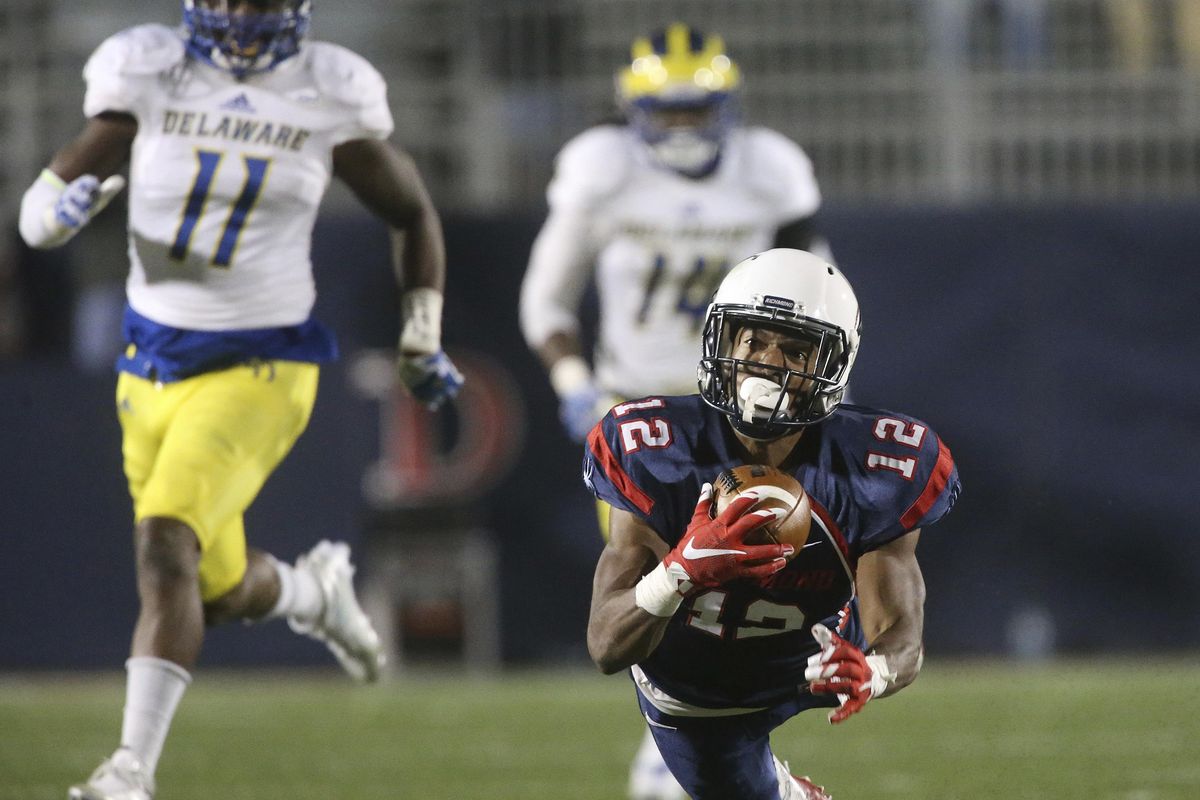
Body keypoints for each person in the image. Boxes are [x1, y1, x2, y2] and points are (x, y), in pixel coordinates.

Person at [17, 3, 463, 799]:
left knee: (163, 544)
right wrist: (54, 216)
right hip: (147, 366)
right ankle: (313, 595)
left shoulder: (329, 87)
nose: (240, 18)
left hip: (261, 364)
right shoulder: (149, 68)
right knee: (212, 589)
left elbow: (411, 212)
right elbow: (43, 203)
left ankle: (130, 772)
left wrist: (421, 333)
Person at [520, 25, 831, 797]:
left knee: (743, 582)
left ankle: (690, 752)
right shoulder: (601, 169)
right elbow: (546, 296)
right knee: (660, 580)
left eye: (699, 110)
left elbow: (818, 285)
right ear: (634, 108)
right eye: (671, 111)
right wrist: (571, 385)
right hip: (643, 410)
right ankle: (671, 750)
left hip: (757, 409)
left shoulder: (770, 168)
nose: (685, 127)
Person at [583, 249, 961, 799]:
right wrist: (681, 569)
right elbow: (606, 645)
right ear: (723, 340)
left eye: (795, 349)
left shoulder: (881, 468)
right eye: (753, 339)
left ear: (830, 365)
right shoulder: (655, 450)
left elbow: (902, 632)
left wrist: (873, 673)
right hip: (699, 690)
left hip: (820, 651)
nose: (766, 361)